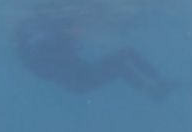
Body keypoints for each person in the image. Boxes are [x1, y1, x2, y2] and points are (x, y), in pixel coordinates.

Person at [15, 13, 175, 102]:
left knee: (121, 66)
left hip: (78, 81)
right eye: (75, 27)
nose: (79, 30)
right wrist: (70, 38)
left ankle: (153, 89)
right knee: (126, 54)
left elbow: (58, 63)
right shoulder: (52, 41)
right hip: (81, 79)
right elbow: (66, 56)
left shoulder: (45, 44)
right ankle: (158, 83)